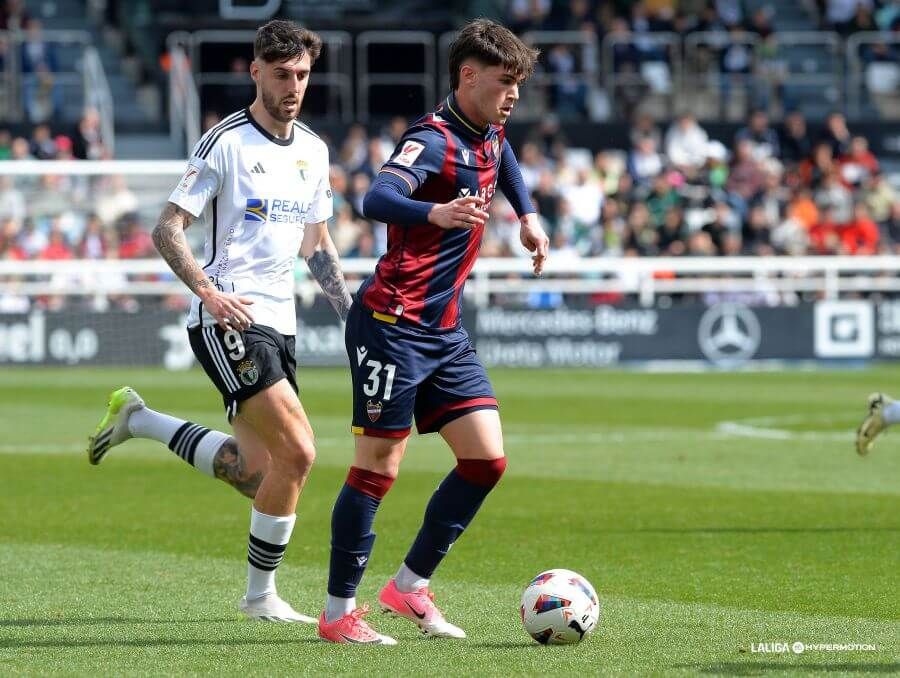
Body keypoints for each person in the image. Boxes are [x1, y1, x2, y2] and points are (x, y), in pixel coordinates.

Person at [85, 20, 352, 623]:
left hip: (279, 324)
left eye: (302, 75)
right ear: (256, 72)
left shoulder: (314, 150)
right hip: (228, 314)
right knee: (302, 454)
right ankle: (261, 598)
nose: (293, 86)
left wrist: (350, 313)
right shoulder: (225, 141)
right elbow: (166, 227)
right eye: (281, 74)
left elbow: (317, 245)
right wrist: (207, 291)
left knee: (259, 475)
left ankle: (141, 420)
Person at [316, 18, 548, 645]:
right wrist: (435, 211)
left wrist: (526, 215)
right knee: (378, 467)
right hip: (392, 324)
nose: (514, 96)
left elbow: (504, 155)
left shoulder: (488, 128)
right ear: (467, 76)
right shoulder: (433, 138)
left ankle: (408, 586)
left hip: (445, 331)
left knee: (485, 460)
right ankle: (338, 614)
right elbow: (377, 197)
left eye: (519, 85)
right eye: (506, 83)